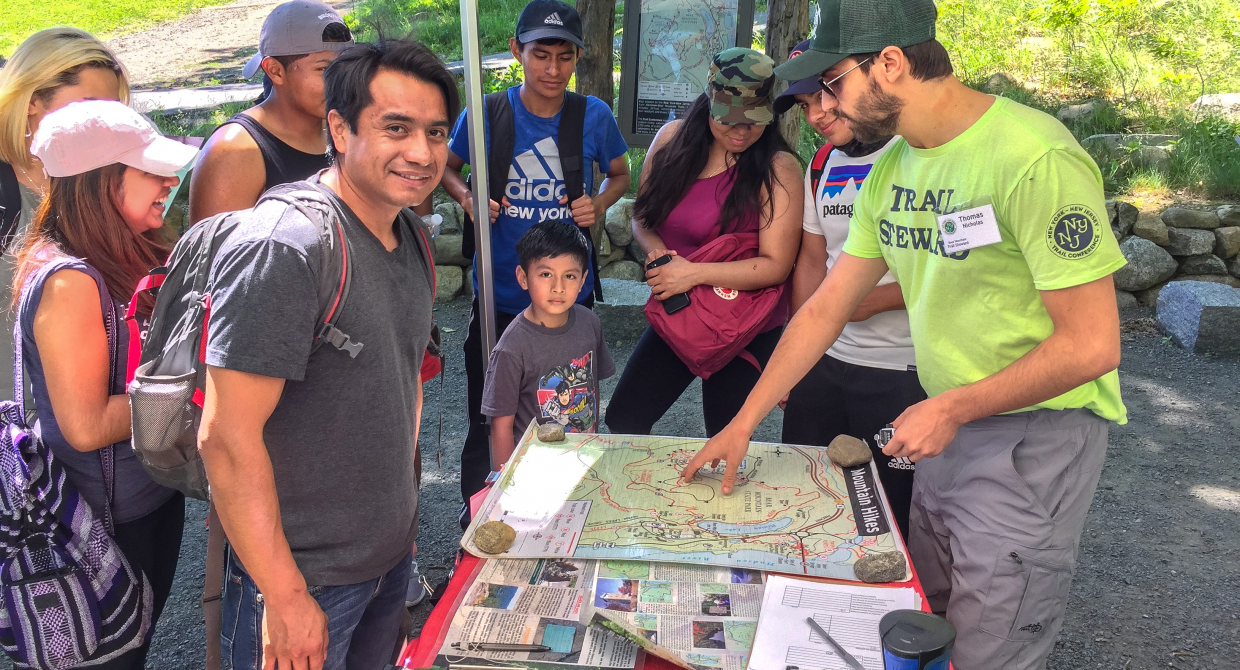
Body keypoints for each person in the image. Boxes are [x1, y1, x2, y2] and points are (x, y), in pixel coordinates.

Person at [681, 1, 1127, 668]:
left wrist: (952, 406)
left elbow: (1093, 346)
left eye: (830, 85)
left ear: (890, 63)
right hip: (942, 424)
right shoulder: (893, 170)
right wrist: (743, 422)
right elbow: (825, 310)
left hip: (1033, 433)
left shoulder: (1033, 157)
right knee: (920, 623)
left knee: (990, 646)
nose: (821, 109)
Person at [195, 39, 451, 669]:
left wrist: (402, 535)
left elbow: (402, 387)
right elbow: (226, 437)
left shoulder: (412, 233)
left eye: (436, 132)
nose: (421, 153)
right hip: (300, 579)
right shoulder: (289, 246)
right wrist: (284, 597)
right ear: (339, 128)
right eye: (396, 128)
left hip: (389, 561)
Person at [17, 99, 195, 668]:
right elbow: (86, 423)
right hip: (98, 524)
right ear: (97, 183)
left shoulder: (123, 246)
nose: (169, 181)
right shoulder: (69, 282)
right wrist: (198, 386)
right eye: (150, 171)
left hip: (147, 499)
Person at [441, 0, 630, 518]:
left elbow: (619, 173)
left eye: (564, 57)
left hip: (569, 299)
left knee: (567, 406)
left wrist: (602, 202)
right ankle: (481, 508)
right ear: (516, 52)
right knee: (492, 410)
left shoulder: (593, 115)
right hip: (500, 298)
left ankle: (566, 506)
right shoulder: (488, 113)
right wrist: (467, 197)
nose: (552, 70)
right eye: (540, 55)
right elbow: (447, 167)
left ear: (577, 57)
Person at [604, 48, 802, 438]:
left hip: (745, 324)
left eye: (754, 121)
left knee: (725, 439)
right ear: (709, 101)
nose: (741, 132)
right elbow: (643, 218)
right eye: (729, 120)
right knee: (625, 418)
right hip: (681, 313)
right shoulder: (672, 141)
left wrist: (691, 274)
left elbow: (776, 264)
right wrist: (659, 256)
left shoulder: (778, 168)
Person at [773, 40, 923, 539]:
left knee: (889, 511)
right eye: (804, 105)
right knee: (805, 492)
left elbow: (944, 269)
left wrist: (864, 302)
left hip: (901, 367)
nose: (817, 114)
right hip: (828, 360)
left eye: (824, 95)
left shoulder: (914, 154)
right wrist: (799, 357)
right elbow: (812, 263)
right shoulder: (823, 163)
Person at [0, 27, 129, 404]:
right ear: (31, 100)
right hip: (16, 433)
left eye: (112, 110)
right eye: (88, 106)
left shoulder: (113, 179)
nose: (102, 123)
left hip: (96, 430)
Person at [188, 0, 353, 223]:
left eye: (344, 66)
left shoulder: (349, 127)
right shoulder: (235, 149)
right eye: (323, 69)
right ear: (275, 71)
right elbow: (213, 254)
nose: (340, 81)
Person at [482, 220, 615, 465]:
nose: (558, 287)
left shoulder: (590, 323)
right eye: (546, 274)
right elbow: (502, 426)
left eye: (569, 276)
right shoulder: (512, 347)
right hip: (536, 469)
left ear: (584, 279)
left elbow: (592, 389)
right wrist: (506, 482)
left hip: (585, 457)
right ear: (523, 277)